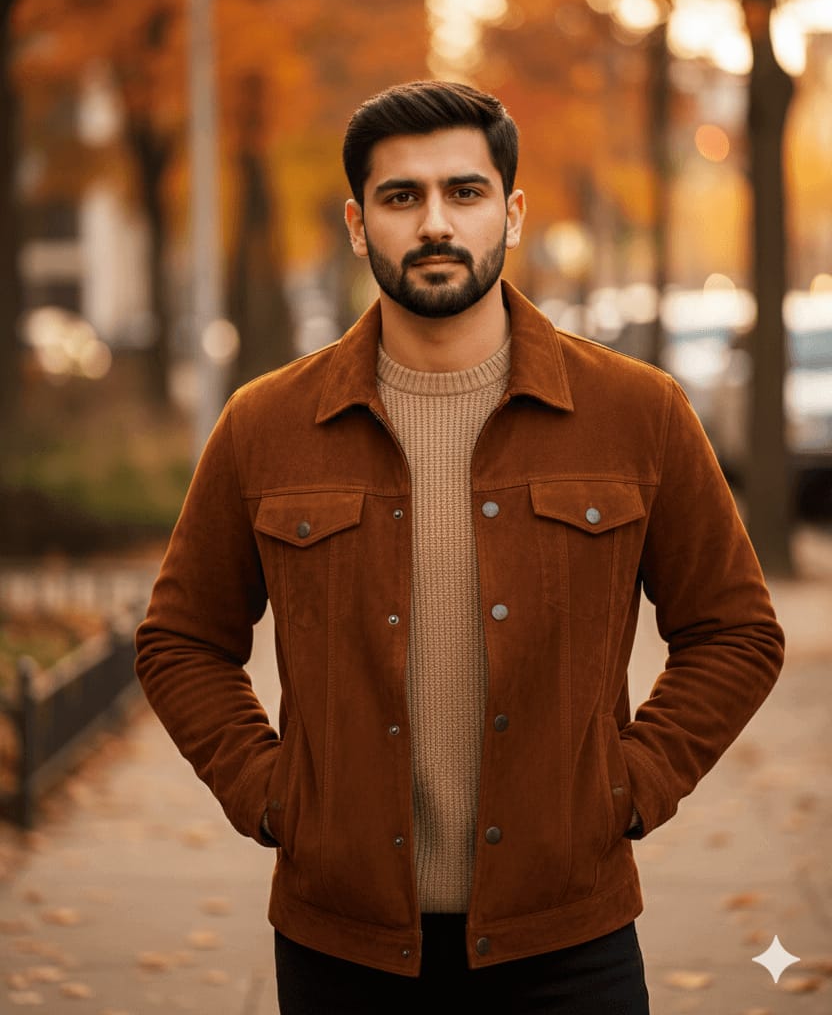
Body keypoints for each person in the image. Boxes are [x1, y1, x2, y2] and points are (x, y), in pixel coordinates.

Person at [135, 80, 785, 1014]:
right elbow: (180, 640)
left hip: (571, 940)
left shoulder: (637, 412)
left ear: (511, 213)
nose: (434, 222)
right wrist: (271, 794)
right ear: (359, 225)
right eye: (402, 198)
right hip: (341, 945)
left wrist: (631, 785)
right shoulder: (265, 424)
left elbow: (735, 631)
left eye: (464, 192)